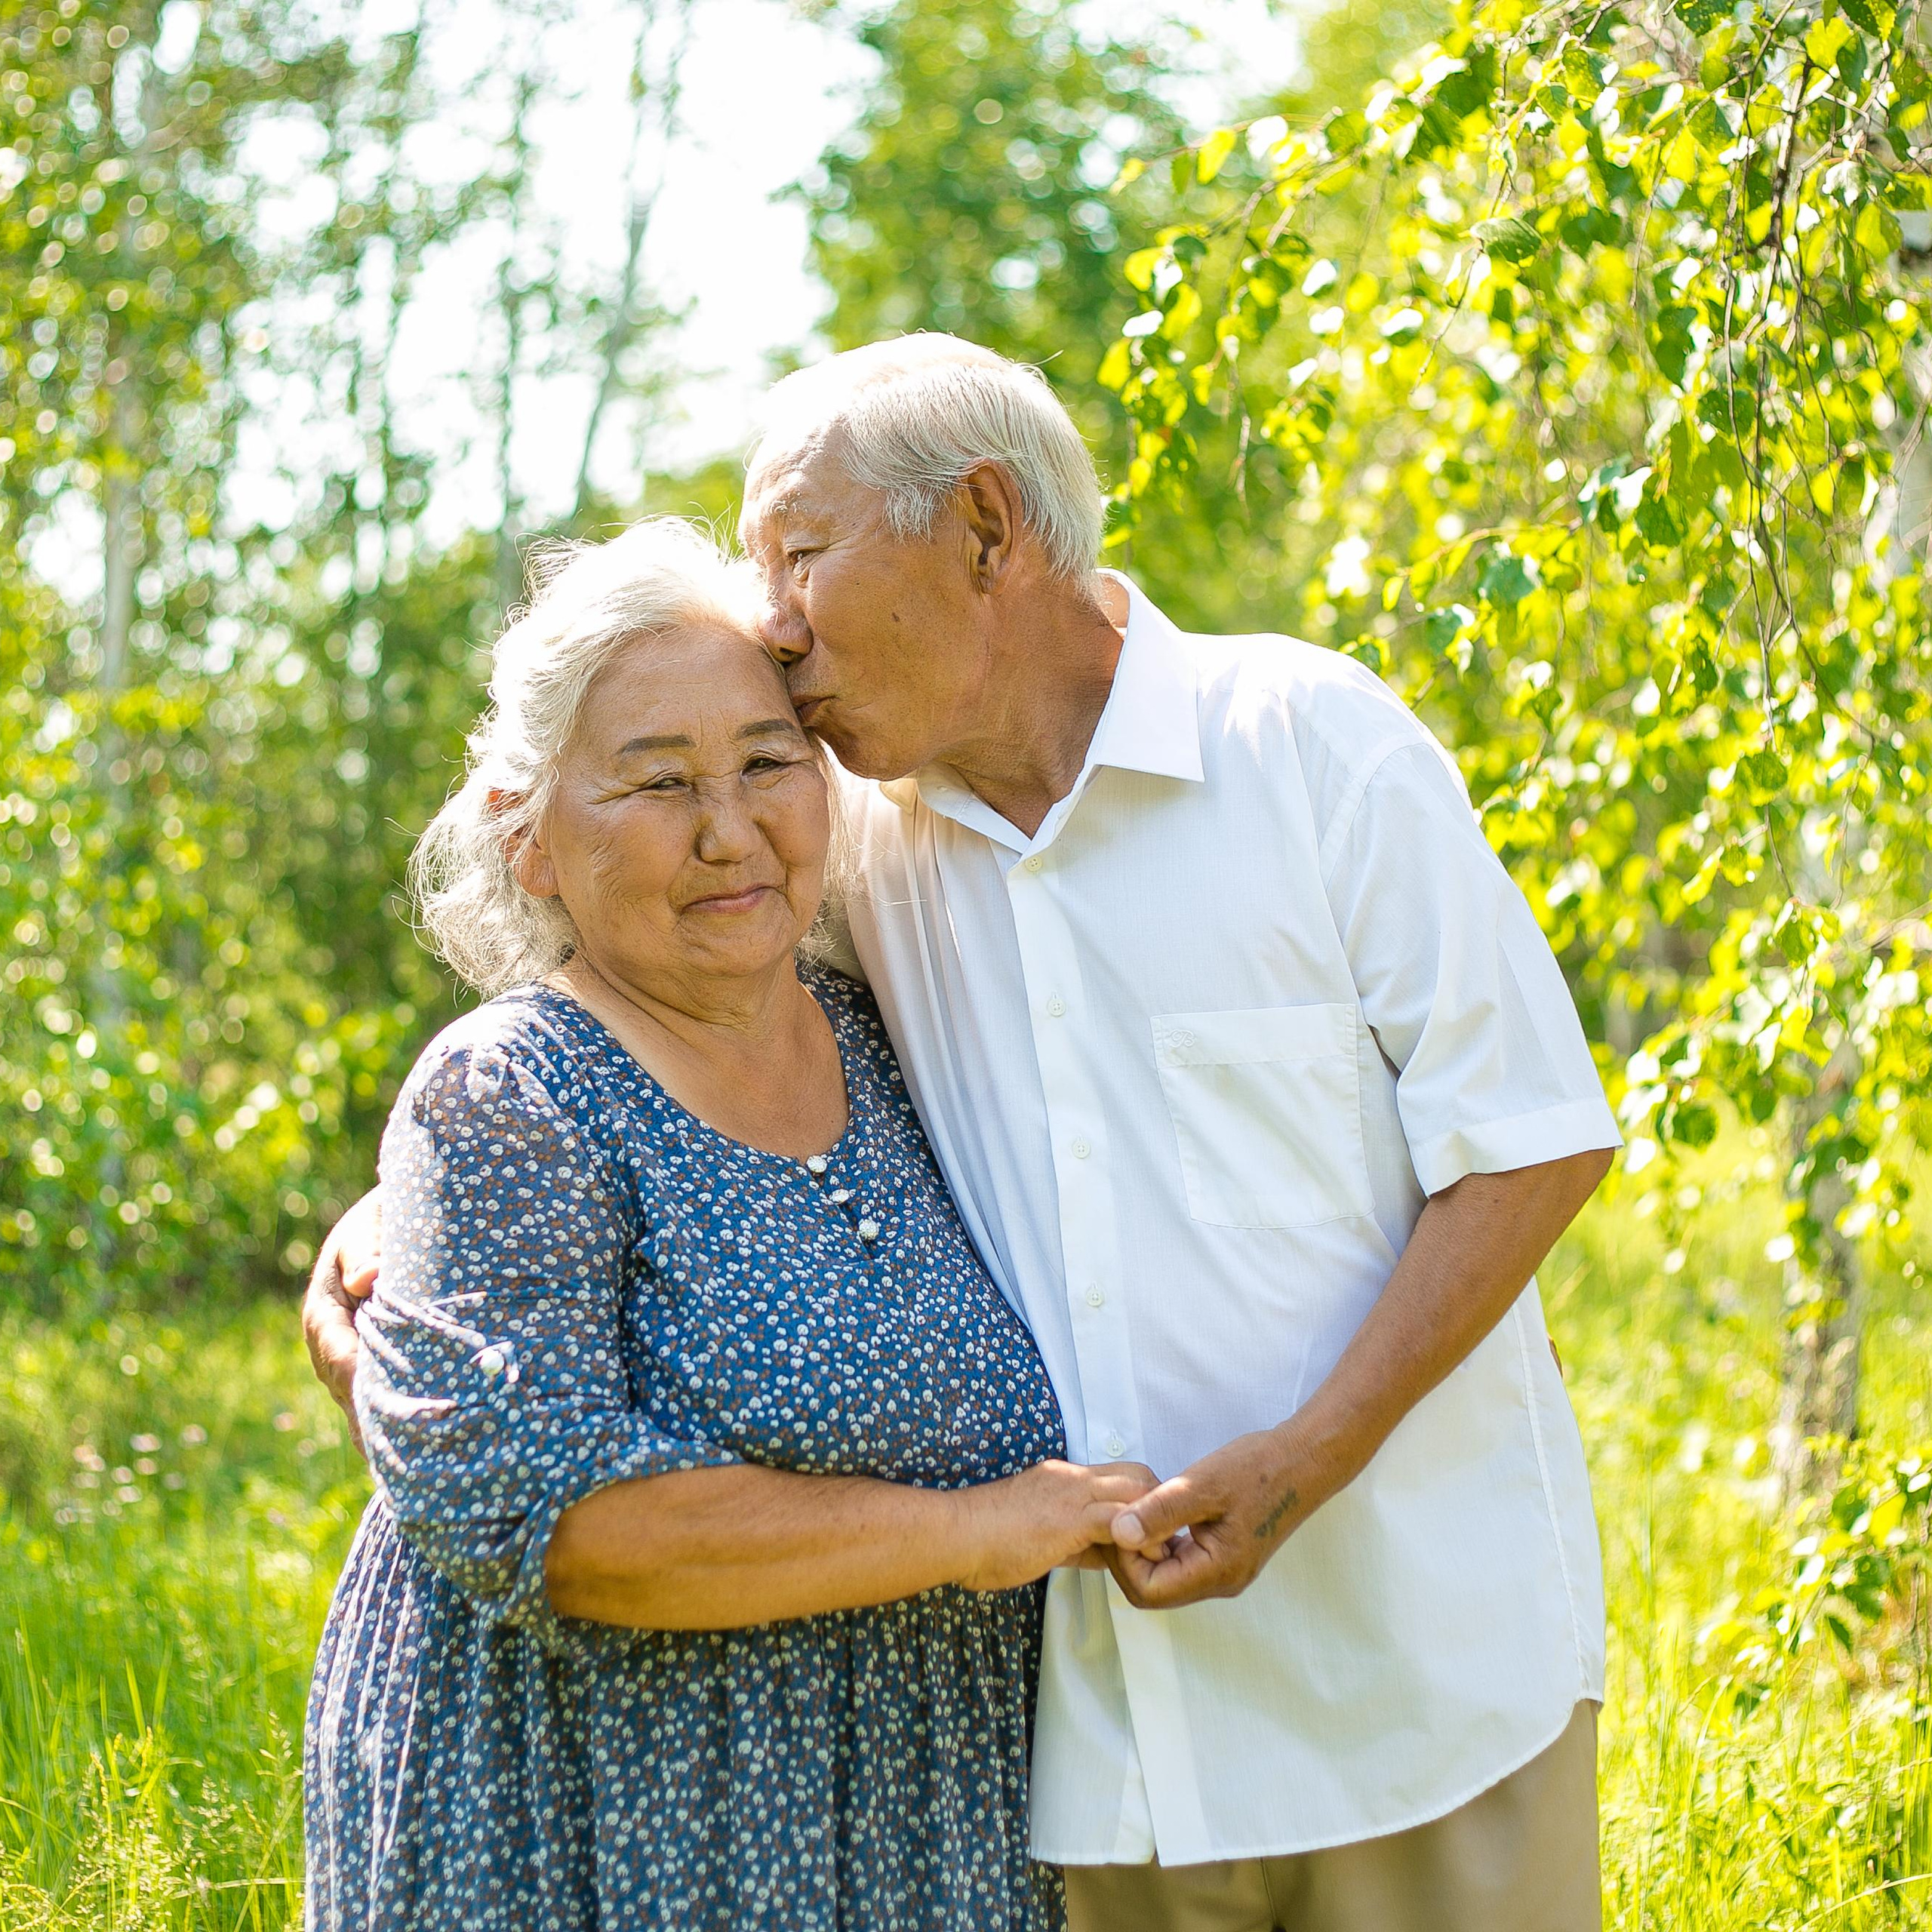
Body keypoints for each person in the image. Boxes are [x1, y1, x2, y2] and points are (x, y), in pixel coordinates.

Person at [310, 336, 1623, 1932]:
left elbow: (1532, 1138)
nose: (773, 622)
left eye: (797, 550)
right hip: (1101, 1746)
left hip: (1410, 1674)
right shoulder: (858, 840)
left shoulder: (1303, 743)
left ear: (988, 527)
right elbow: (626, 1003)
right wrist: (397, 1224)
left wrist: (1311, 1454)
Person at [303, 516, 1156, 1932]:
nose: (728, 830)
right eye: (655, 782)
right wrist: (978, 1530)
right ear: (528, 841)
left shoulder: (899, 1042)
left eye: (769, 763)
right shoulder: (512, 1092)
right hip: (600, 1826)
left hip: (917, 1825)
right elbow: (566, 1525)